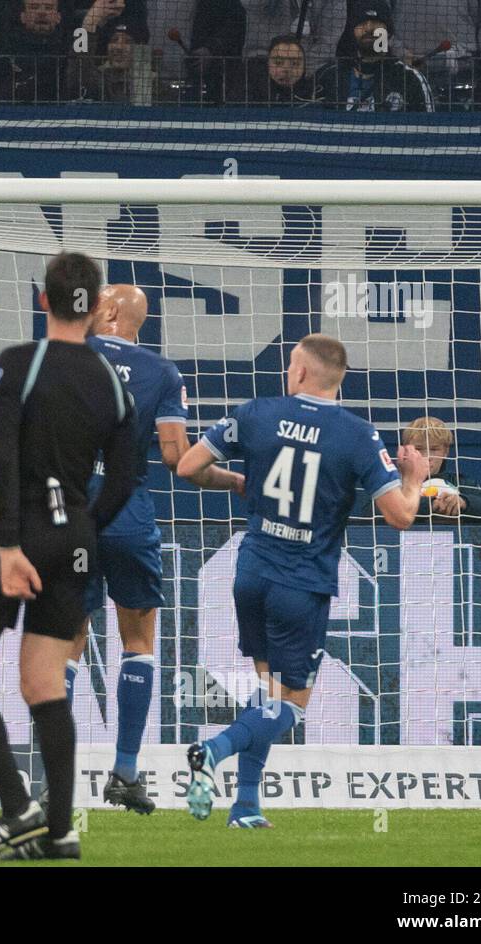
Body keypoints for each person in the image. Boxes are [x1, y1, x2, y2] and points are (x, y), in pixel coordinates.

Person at [175, 334, 424, 827]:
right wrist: (414, 477)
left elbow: (187, 466)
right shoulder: (357, 434)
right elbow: (400, 516)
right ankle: (212, 749)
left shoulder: (255, 413)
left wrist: (237, 481)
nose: (288, 373)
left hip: (251, 572)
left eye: (291, 365)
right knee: (293, 704)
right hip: (302, 584)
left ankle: (246, 805)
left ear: (304, 373)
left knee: (268, 691)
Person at [0, 253, 139, 862]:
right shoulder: (111, 379)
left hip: (20, 534)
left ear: (42, 300)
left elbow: (3, 462)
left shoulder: (17, 366)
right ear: (99, 304)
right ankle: (60, 831)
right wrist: (83, 527)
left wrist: (6, 547)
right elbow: (128, 477)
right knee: (43, 682)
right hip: (75, 539)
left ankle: (15, 804)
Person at [66, 286, 244, 814]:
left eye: (97, 300)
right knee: (138, 642)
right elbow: (176, 458)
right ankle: (124, 772)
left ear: (114, 311)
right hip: (127, 515)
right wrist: (235, 480)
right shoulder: (163, 373)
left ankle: (52, 779)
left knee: (66, 642)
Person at [316, 0, 434, 111]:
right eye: (362, 23)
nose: (369, 28)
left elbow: (428, 128)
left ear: (388, 30)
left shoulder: (409, 79)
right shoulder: (329, 76)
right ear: (352, 31)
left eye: (376, 22)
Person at [401, 415, 481, 518]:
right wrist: (430, 504)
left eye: (434, 449)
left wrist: (464, 502)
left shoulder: (461, 482)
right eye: (418, 449)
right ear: (406, 451)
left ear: (446, 451)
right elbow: (385, 510)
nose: (427, 456)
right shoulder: (395, 484)